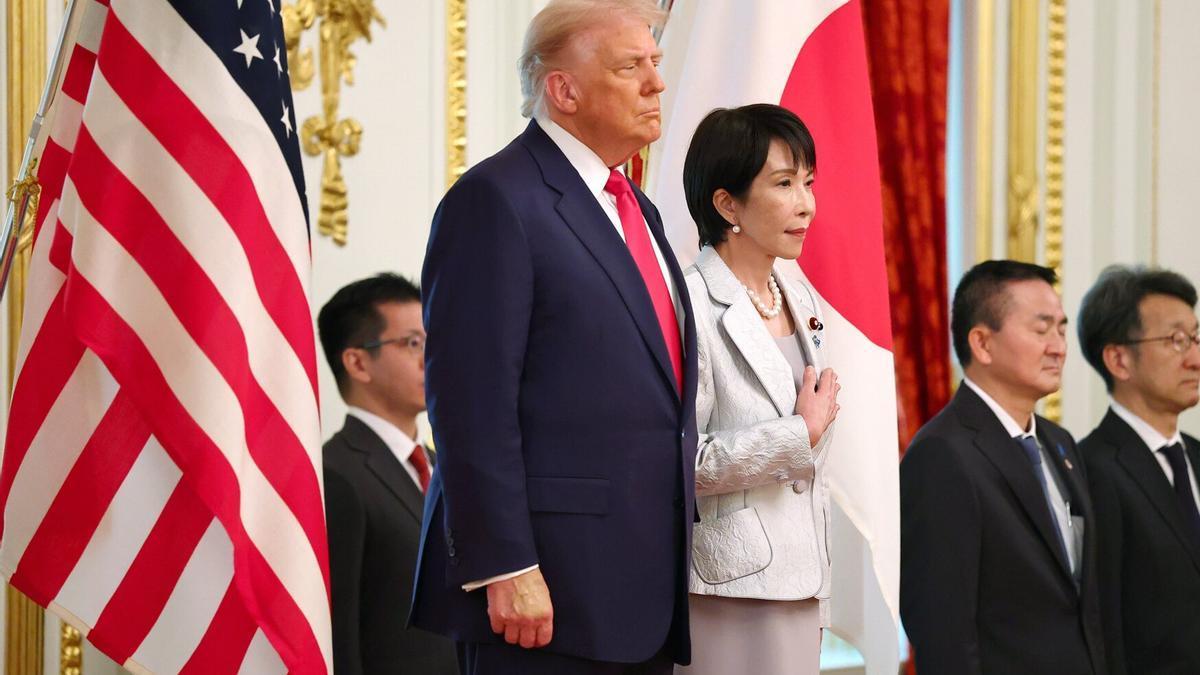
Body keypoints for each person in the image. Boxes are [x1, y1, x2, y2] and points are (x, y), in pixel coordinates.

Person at [409, 1, 699, 673]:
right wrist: (505, 561)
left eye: (655, 63)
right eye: (633, 67)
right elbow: (469, 402)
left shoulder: (637, 207)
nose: (658, 83)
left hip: (639, 594)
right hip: (543, 596)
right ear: (562, 89)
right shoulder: (496, 199)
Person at [672, 104, 838, 675]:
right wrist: (799, 432)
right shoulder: (687, 303)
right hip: (730, 586)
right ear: (727, 204)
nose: (806, 203)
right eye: (785, 183)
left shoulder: (802, 299)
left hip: (804, 581)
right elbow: (680, 461)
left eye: (808, 182)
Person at [900, 260, 1107, 675]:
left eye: (1061, 329)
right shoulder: (942, 454)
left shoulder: (1059, 442)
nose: (1059, 346)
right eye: (1041, 328)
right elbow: (942, 629)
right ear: (982, 343)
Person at [317, 273, 457, 675]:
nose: (429, 357)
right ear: (358, 362)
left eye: (432, 342)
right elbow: (339, 637)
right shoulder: (336, 474)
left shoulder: (445, 467)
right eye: (413, 343)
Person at [1076, 265, 1200, 674]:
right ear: (1118, 359)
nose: (1195, 358)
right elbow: (1103, 625)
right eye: (1177, 341)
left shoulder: (1196, 457)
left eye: (1196, 337)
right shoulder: (1090, 469)